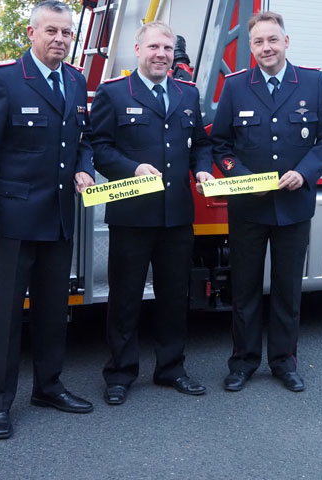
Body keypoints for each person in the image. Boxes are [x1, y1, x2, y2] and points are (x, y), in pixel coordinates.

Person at [0, 0, 95, 439]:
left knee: (54, 311)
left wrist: (85, 168)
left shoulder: (76, 82)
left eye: (67, 33)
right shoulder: (2, 80)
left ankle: (48, 387)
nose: (60, 39)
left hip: (58, 217)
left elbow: (83, 139)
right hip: (12, 220)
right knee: (4, 316)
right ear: (31, 33)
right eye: (52, 31)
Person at [210, 11, 322, 392]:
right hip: (248, 208)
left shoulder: (314, 83)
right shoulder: (236, 86)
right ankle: (244, 362)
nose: (266, 47)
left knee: (287, 289)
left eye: (272, 40)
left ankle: (284, 361)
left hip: (294, 206)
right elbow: (221, 145)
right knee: (245, 288)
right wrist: (240, 178)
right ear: (250, 47)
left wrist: (304, 172)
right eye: (258, 42)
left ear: (286, 42)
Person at [89, 21, 214, 405]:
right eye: (155, 47)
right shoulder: (113, 92)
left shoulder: (187, 94)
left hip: (176, 216)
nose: (162, 54)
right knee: (124, 298)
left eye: (168, 49)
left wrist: (204, 168)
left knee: (174, 296)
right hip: (131, 214)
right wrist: (133, 169)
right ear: (138, 49)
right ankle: (121, 373)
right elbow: (100, 147)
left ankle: (171, 368)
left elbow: (201, 145)